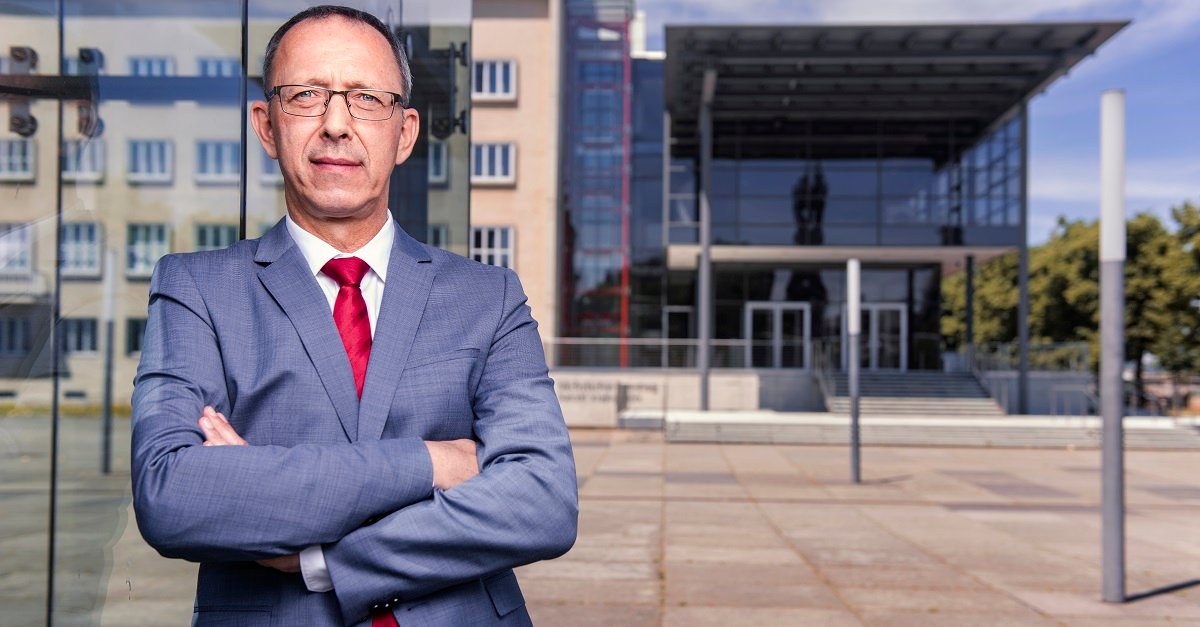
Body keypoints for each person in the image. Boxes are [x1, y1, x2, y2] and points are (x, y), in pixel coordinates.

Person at [130, 6, 578, 626]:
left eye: (367, 98)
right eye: (306, 95)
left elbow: (543, 502)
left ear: (405, 133)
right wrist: (434, 463)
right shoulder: (197, 289)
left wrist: (323, 561)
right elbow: (172, 495)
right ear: (266, 125)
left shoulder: (489, 297)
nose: (337, 124)